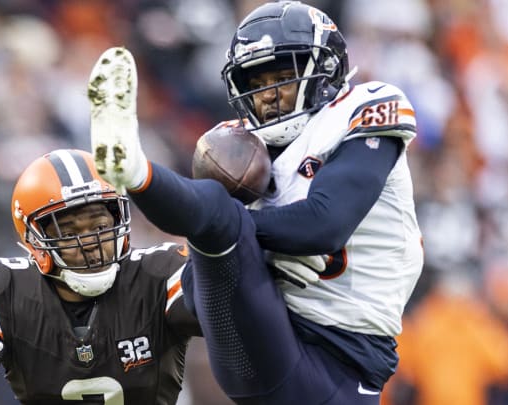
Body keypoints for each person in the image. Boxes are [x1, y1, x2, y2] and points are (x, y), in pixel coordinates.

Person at [87, 1, 424, 404]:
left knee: (216, 214)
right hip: (264, 342)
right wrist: (231, 239)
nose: (268, 95)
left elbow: (324, 224)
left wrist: (241, 228)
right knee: (204, 227)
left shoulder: (362, 108)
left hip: (338, 364)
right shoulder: (237, 148)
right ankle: (131, 174)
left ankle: (138, 173)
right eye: (255, 81)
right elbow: (199, 292)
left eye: (282, 76)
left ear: (327, 69)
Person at [0, 149, 201, 404]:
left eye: (99, 224)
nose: (90, 241)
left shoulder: (159, 274)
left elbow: (226, 318)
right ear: (34, 239)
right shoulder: (4, 289)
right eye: (68, 232)